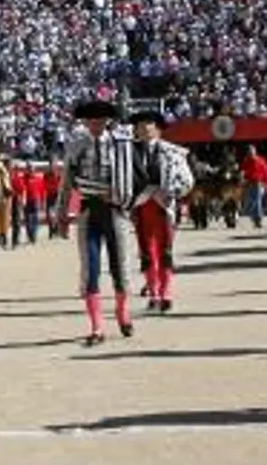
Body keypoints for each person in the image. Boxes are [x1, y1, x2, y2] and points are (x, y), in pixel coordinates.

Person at [56, 99, 142, 345]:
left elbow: (136, 179)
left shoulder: (122, 146)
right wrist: (62, 215)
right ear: (85, 122)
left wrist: (128, 202)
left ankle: (122, 313)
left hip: (115, 211)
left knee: (120, 266)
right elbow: (67, 184)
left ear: (107, 122)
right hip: (89, 212)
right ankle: (96, 327)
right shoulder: (76, 146)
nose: (95, 124)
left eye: (100, 120)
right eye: (91, 120)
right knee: (90, 269)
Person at [130, 111, 193, 313]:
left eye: (149, 124)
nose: (145, 128)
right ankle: (154, 292)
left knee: (165, 250)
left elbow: (187, 181)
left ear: (158, 128)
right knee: (147, 251)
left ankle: (166, 292)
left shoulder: (173, 152)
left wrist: (170, 193)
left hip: (164, 207)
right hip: (141, 206)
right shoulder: (128, 153)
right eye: (141, 125)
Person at [239, 145, 267, 228]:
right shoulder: (246, 161)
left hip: (258, 183)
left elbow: (266, 172)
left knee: (257, 201)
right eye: (249, 152)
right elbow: (243, 171)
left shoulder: (260, 160)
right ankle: (255, 218)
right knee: (251, 201)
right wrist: (242, 180)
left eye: (252, 151)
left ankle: (258, 219)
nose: (251, 153)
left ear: (255, 151)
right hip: (249, 183)